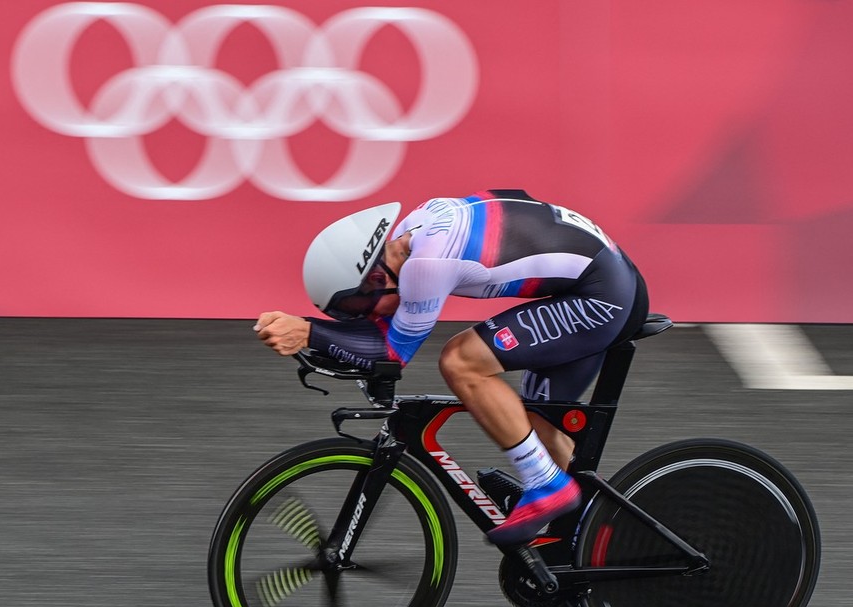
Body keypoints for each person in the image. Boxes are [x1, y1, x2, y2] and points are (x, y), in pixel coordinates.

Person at [255, 189, 648, 545]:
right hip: (600, 277)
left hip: (600, 295)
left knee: (461, 361)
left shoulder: (425, 265)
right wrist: (317, 334)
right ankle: (592, 542)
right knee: (529, 421)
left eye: (356, 308)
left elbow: (390, 354)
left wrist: (309, 333)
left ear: (376, 276)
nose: (362, 318)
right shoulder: (413, 229)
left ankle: (546, 486)